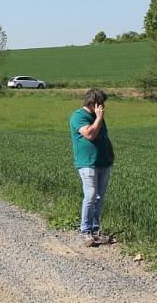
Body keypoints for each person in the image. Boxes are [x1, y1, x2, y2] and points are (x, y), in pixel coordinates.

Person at [70, 88, 115, 247]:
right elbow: (89, 134)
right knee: (91, 195)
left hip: (103, 163)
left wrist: (110, 155)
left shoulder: (98, 117)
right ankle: (85, 231)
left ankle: (95, 231)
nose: (103, 107)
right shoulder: (78, 117)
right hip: (87, 163)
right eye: (102, 104)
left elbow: (104, 136)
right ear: (95, 104)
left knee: (99, 197)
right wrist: (99, 118)